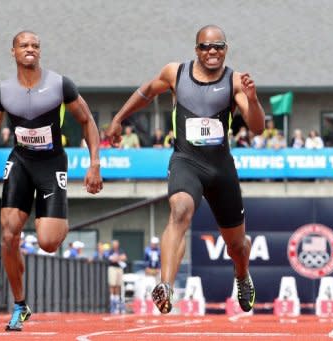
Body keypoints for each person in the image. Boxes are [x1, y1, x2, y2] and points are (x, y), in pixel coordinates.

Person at [106, 25, 265, 314]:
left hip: (221, 170)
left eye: (218, 47)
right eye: (205, 47)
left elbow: (257, 127)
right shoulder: (175, 73)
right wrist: (118, 117)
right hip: (186, 162)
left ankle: (242, 275)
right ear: (197, 50)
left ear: (226, 49)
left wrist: (252, 100)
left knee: (237, 246)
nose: (212, 52)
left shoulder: (235, 81)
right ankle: (165, 286)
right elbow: (146, 93)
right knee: (179, 211)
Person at [0, 31, 102, 331]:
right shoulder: (3, 90)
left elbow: (87, 121)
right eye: (24, 45)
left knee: (48, 242)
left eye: (35, 46)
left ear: (39, 52)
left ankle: (57, 217)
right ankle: (20, 305)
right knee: (8, 235)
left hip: (51, 163)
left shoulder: (59, 85)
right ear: (13, 52)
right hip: (20, 161)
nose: (30, 49)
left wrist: (94, 163)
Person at [106, 239, 127, 314]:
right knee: (112, 284)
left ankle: (117, 303)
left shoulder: (120, 250)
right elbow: (110, 259)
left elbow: (124, 257)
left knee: (118, 285)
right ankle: (112, 303)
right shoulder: (110, 251)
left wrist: (117, 258)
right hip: (113, 268)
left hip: (119, 268)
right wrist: (118, 258)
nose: (115, 245)